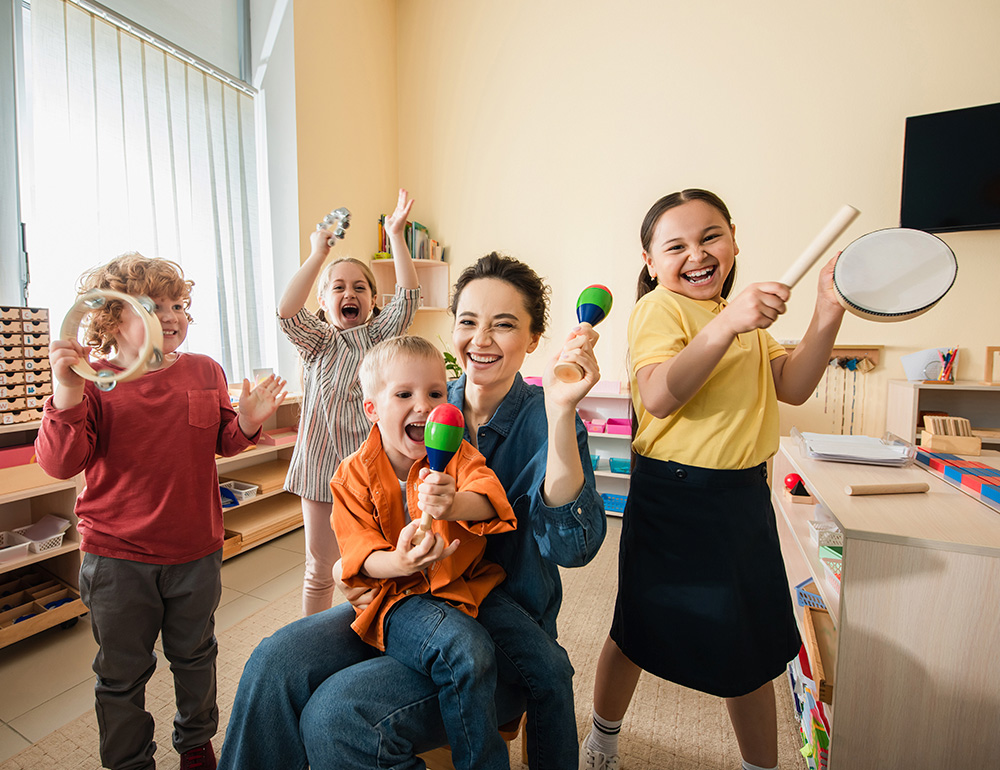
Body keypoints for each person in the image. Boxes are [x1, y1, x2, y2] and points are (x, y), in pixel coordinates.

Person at [219, 253, 608, 770]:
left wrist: (561, 413)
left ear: (534, 339)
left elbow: (570, 548)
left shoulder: (545, 418)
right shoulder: (420, 399)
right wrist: (357, 566)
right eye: (468, 322)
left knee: (337, 716)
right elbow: (365, 506)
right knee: (275, 660)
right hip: (402, 600)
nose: (482, 339)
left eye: (505, 324)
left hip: (494, 621)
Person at [579, 189, 845, 770]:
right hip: (673, 497)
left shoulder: (744, 316)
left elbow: (793, 385)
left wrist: (827, 312)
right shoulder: (662, 310)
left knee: (748, 647)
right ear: (651, 263)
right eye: (675, 246)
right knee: (636, 628)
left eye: (710, 237)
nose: (696, 254)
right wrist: (729, 322)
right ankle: (601, 739)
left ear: (733, 244)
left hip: (742, 499)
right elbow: (660, 394)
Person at [34, 253, 287, 770]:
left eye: (178, 304)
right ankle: (128, 760)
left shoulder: (204, 369)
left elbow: (225, 440)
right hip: (117, 560)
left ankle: (196, 743)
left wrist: (249, 420)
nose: (170, 315)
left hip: (195, 550)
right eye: (151, 305)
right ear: (109, 317)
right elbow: (61, 464)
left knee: (196, 656)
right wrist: (65, 391)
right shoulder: (92, 380)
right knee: (122, 672)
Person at [333, 334, 518, 770]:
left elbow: (490, 497)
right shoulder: (350, 475)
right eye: (404, 394)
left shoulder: (455, 455)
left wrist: (454, 502)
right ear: (372, 410)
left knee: (542, 667)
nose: (423, 405)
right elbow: (357, 553)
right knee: (462, 648)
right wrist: (397, 563)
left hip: (462, 591)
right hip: (397, 599)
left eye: (435, 392)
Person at [277, 189, 420, 616]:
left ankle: (375, 628)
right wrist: (318, 255)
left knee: (372, 564)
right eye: (337, 288)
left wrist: (395, 234)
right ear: (323, 303)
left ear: (373, 302)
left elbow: (409, 297)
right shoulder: (316, 341)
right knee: (320, 568)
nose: (349, 293)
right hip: (320, 469)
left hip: (369, 471)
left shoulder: (380, 338)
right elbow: (286, 311)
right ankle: (313, 640)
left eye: (359, 287)